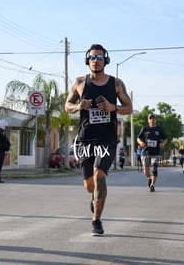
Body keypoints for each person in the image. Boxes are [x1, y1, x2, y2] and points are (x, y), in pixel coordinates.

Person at [64, 44, 132, 236]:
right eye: (92, 57)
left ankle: (97, 221)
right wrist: (79, 106)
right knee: (89, 185)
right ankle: (95, 199)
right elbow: (67, 105)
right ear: (88, 61)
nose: (96, 60)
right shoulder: (79, 82)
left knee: (99, 174)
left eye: (100, 57)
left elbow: (129, 107)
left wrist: (113, 107)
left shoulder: (116, 84)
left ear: (106, 60)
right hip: (86, 139)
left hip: (107, 138)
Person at [136, 114, 168, 192]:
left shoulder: (159, 129)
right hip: (146, 152)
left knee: (154, 168)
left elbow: (165, 138)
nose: (152, 120)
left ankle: (152, 185)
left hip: (156, 153)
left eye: (153, 119)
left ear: (155, 120)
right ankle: (150, 178)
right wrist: (141, 143)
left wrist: (163, 143)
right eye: (150, 119)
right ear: (148, 120)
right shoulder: (145, 129)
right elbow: (138, 138)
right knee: (146, 172)